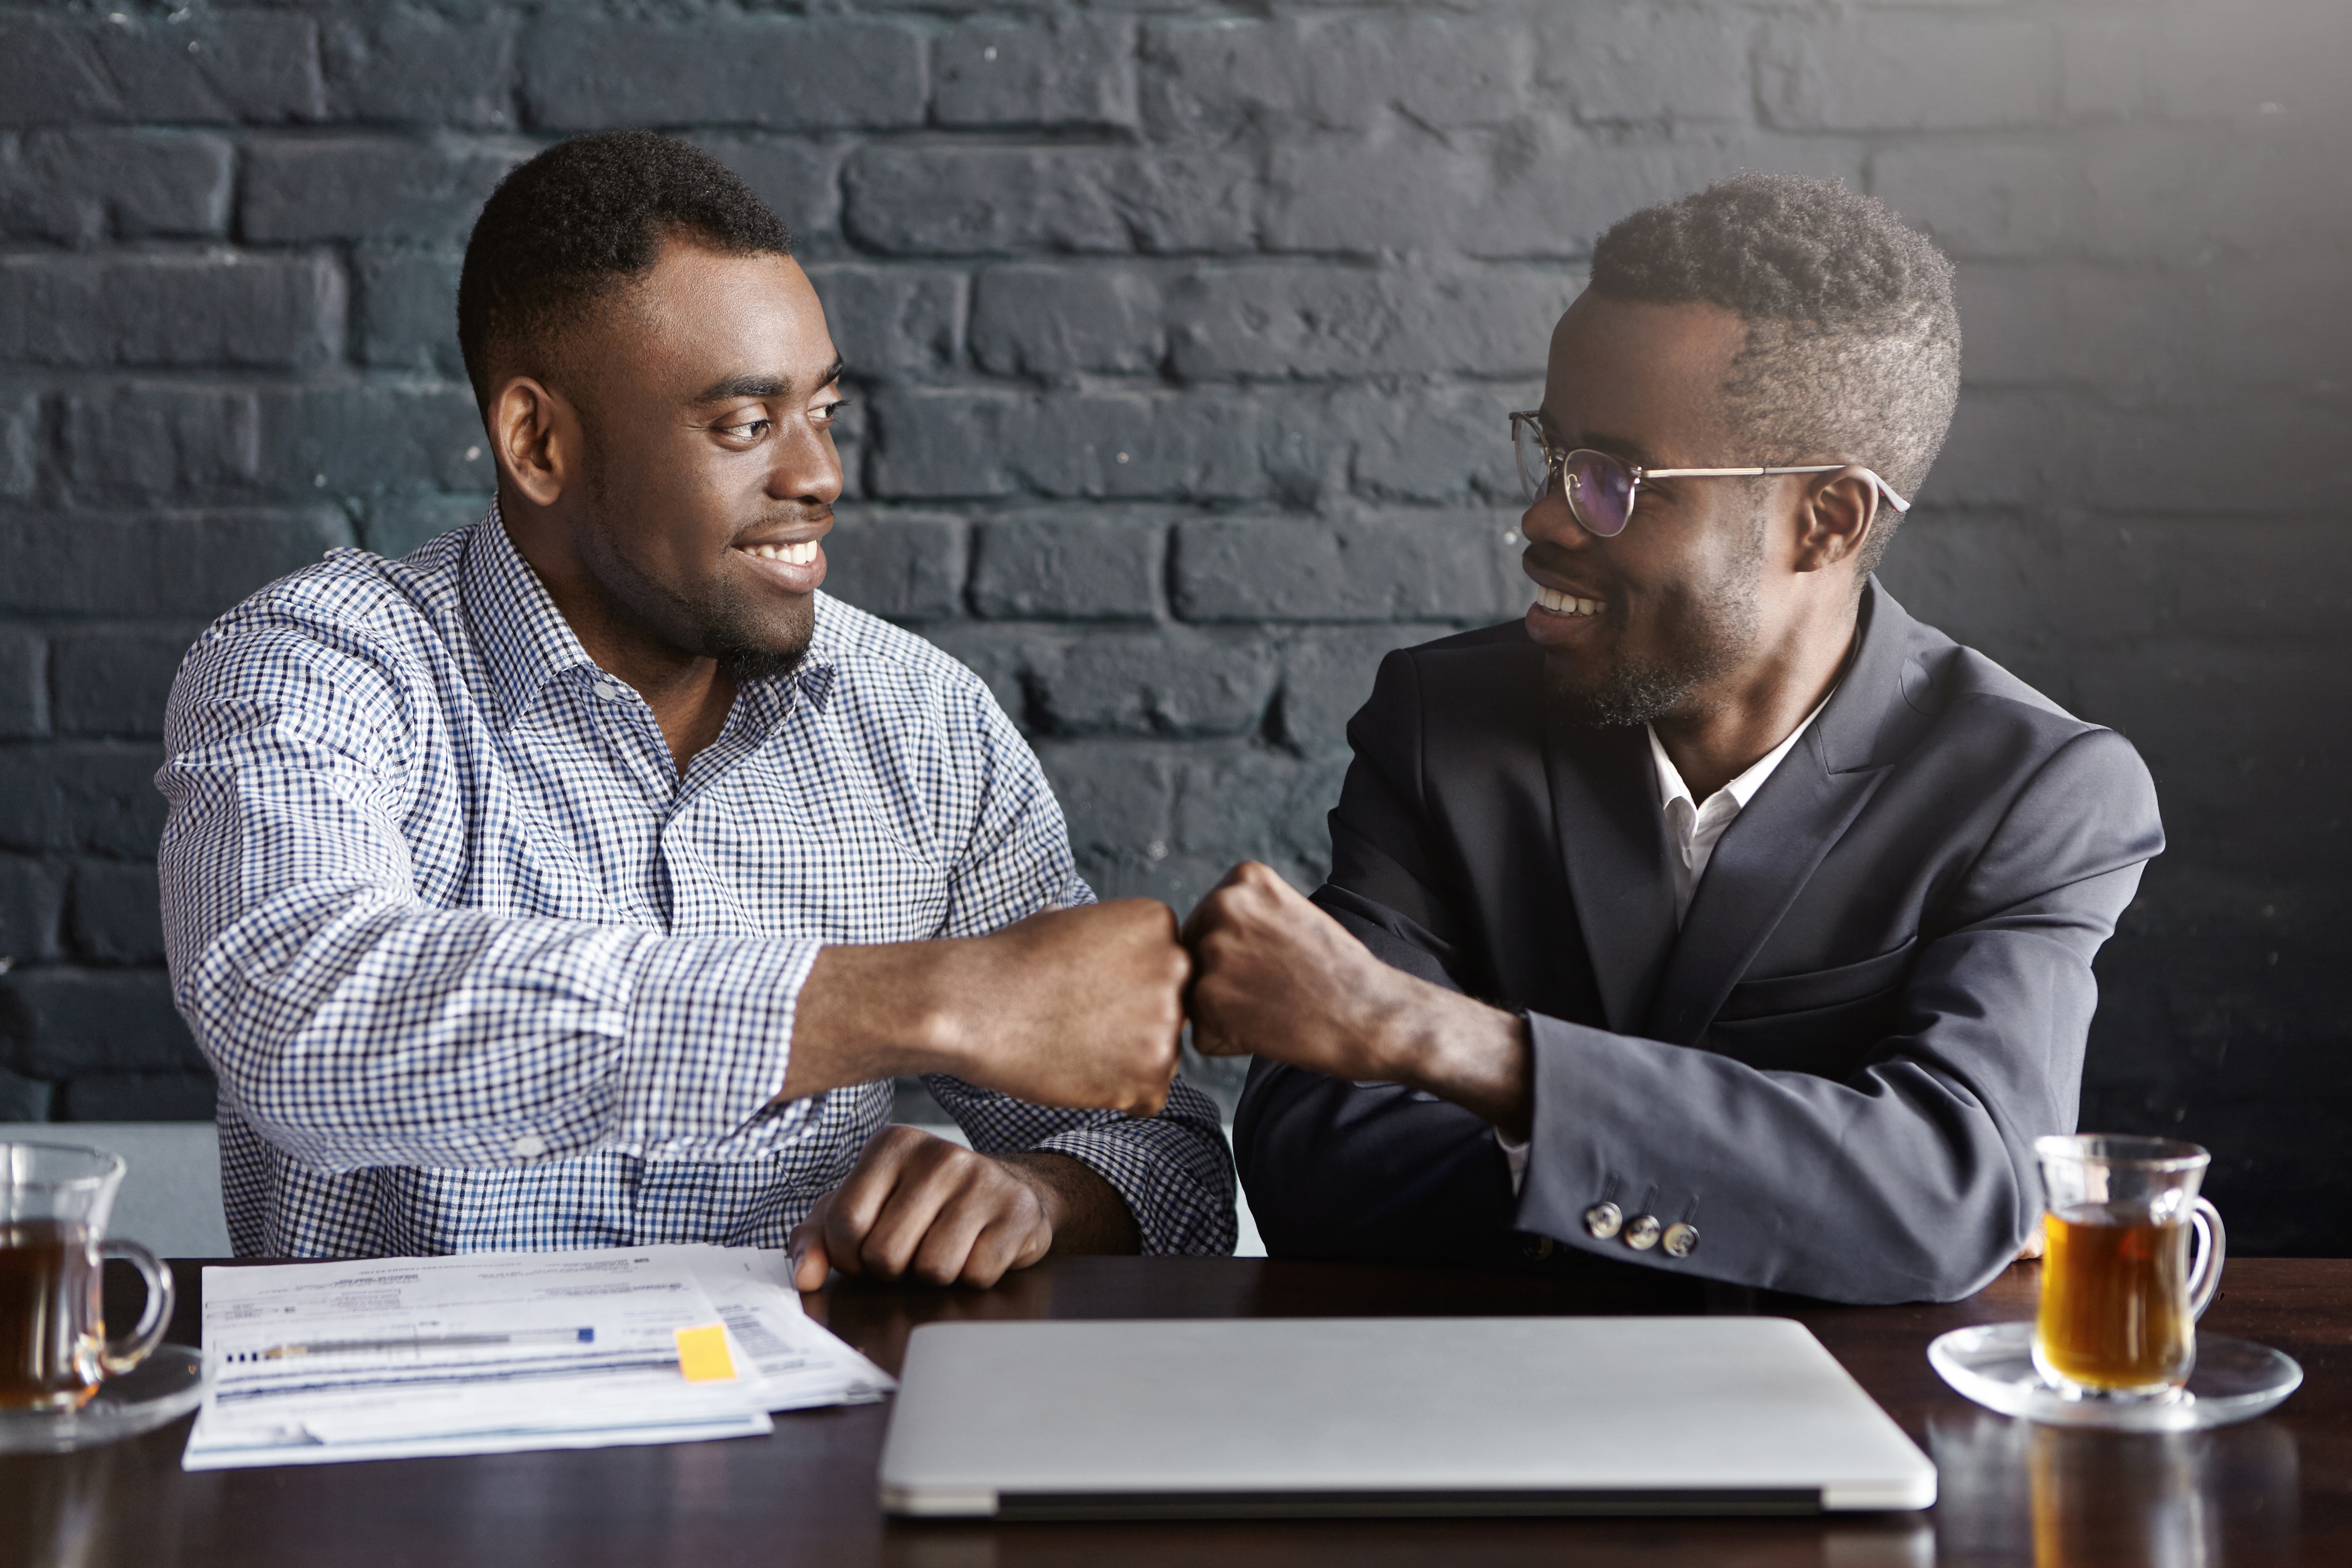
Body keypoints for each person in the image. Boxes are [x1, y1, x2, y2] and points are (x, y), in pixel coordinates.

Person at [158, 131, 1233, 1284]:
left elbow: (1156, 1150)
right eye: (744, 425)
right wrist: (911, 1000)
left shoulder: (926, 728)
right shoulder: (323, 661)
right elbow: (299, 1008)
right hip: (397, 1448)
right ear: (539, 442)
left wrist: (1036, 1195)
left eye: (826, 409)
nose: (818, 474)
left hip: (796, 1450)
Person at [1184, 175, 2162, 1305]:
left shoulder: (2033, 792)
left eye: (1617, 481)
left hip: (1849, 1427)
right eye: (1552, 455)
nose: (1545, 519)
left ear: (1826, 519)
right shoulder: (1441, 724)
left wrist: (1436, 1040)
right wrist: (1800, 1205)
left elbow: (1952, 1190)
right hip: (1474, 1411)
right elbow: (1319, 1163)